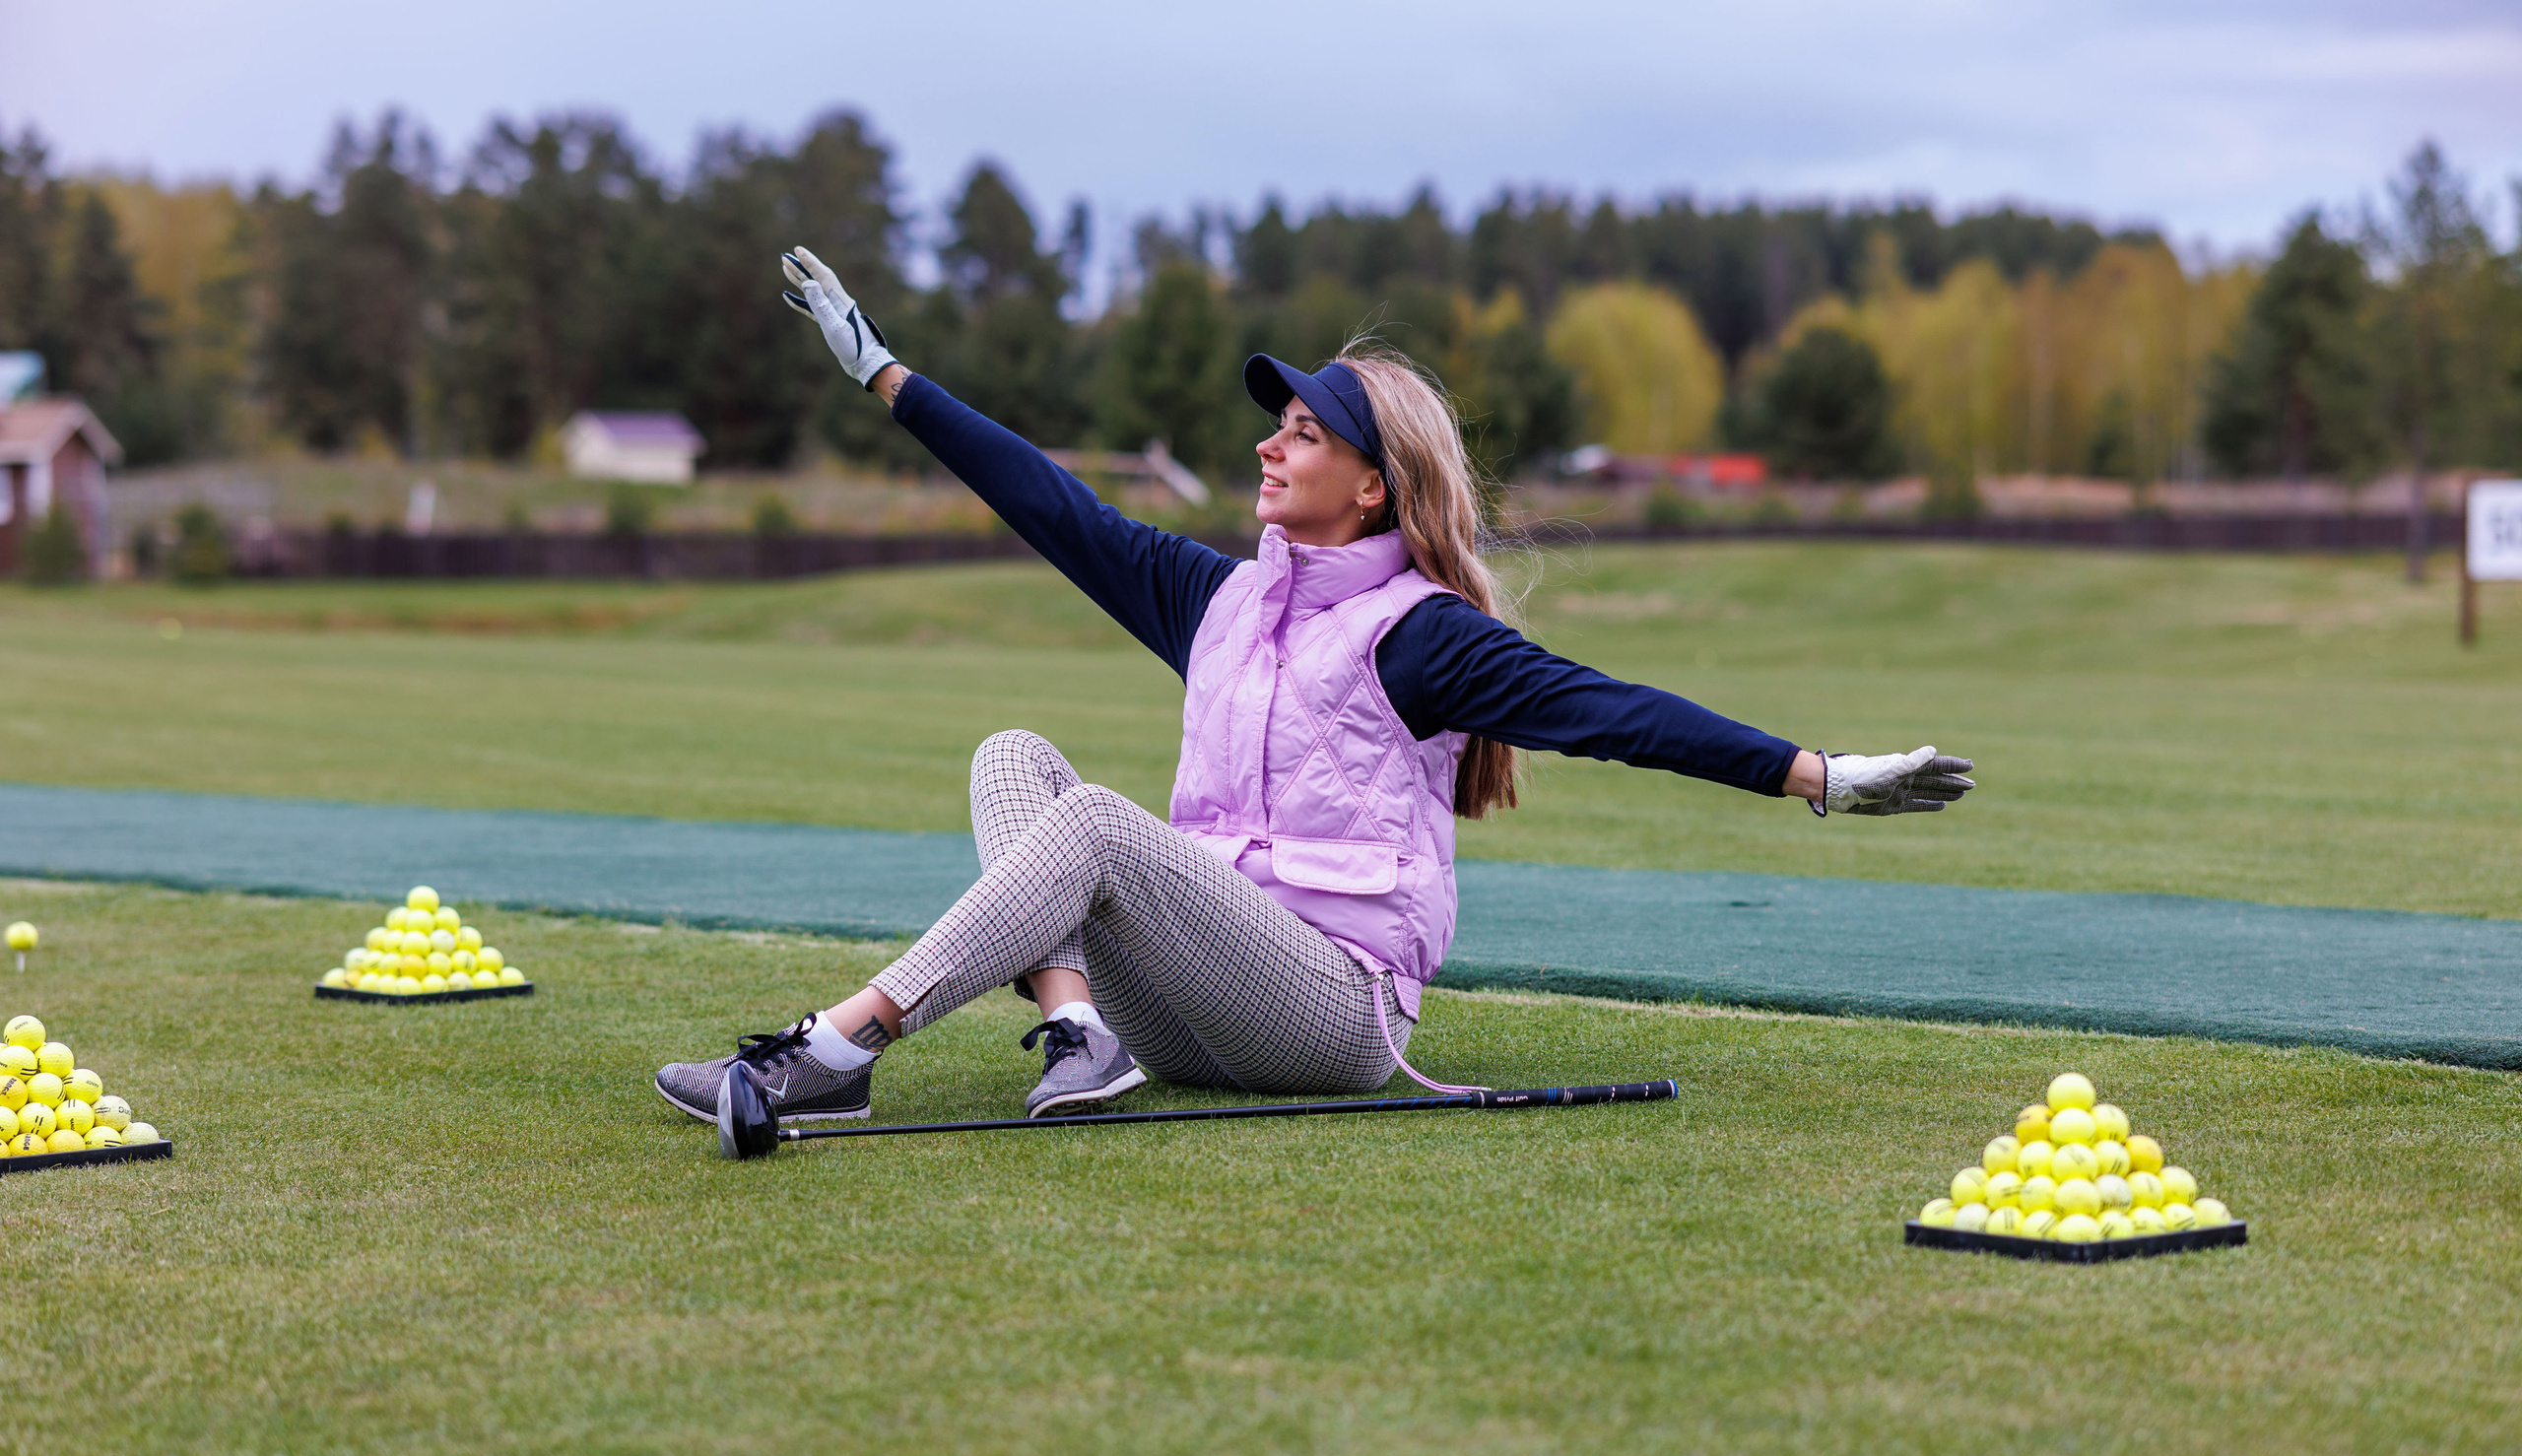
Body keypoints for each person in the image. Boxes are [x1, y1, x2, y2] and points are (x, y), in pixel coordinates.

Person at [653, 247, 1973, 1130]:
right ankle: (1077, 1041)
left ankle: (835, 1052)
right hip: (1190, 1006)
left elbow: (1611, 712)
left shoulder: (1422, 636)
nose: (1269, 447)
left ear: (1373, 486)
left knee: (1105, 824)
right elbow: (1051, 504)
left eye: (1303, 433)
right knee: (1015, 757)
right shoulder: (1217, 598)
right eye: (1277, 426)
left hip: (1333, 1008)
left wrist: (1817, 775)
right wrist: (890, 379)